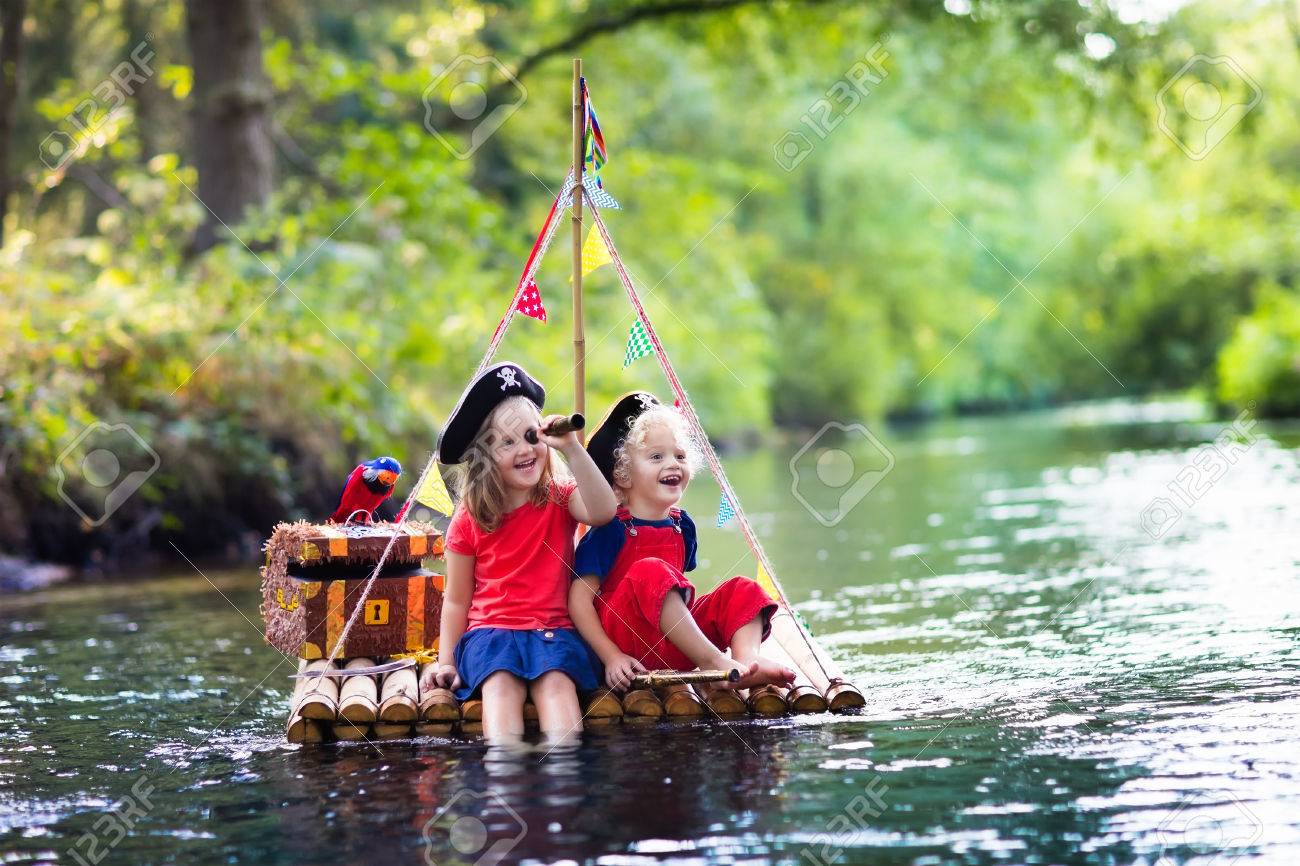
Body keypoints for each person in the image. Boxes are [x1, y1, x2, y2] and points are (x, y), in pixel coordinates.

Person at [425, 362, 618, 740]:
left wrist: (573, 450)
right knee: (499, 685)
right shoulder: (470, 518)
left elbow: (603, 511)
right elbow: (457, 599)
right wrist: (445, 660)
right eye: (507, 443)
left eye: (532, 437)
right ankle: (506, 769)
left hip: (554, 630)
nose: (525, 450)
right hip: (491, 633)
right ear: (483, 457)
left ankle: (563, 773)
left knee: (557, 684)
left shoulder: (560, 498)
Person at [569, 392, 795, 697]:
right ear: (622, 474)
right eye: (656, 457)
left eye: (680, 456)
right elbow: (579, 602)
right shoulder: (610, 530)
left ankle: (746, 660)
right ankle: (715, 664)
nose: (673, 464)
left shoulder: (681, 525)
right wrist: (611, 656)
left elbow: (678, 597)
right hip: (629, 644)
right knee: (651, 571)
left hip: (673, 644)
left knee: (743, 588)